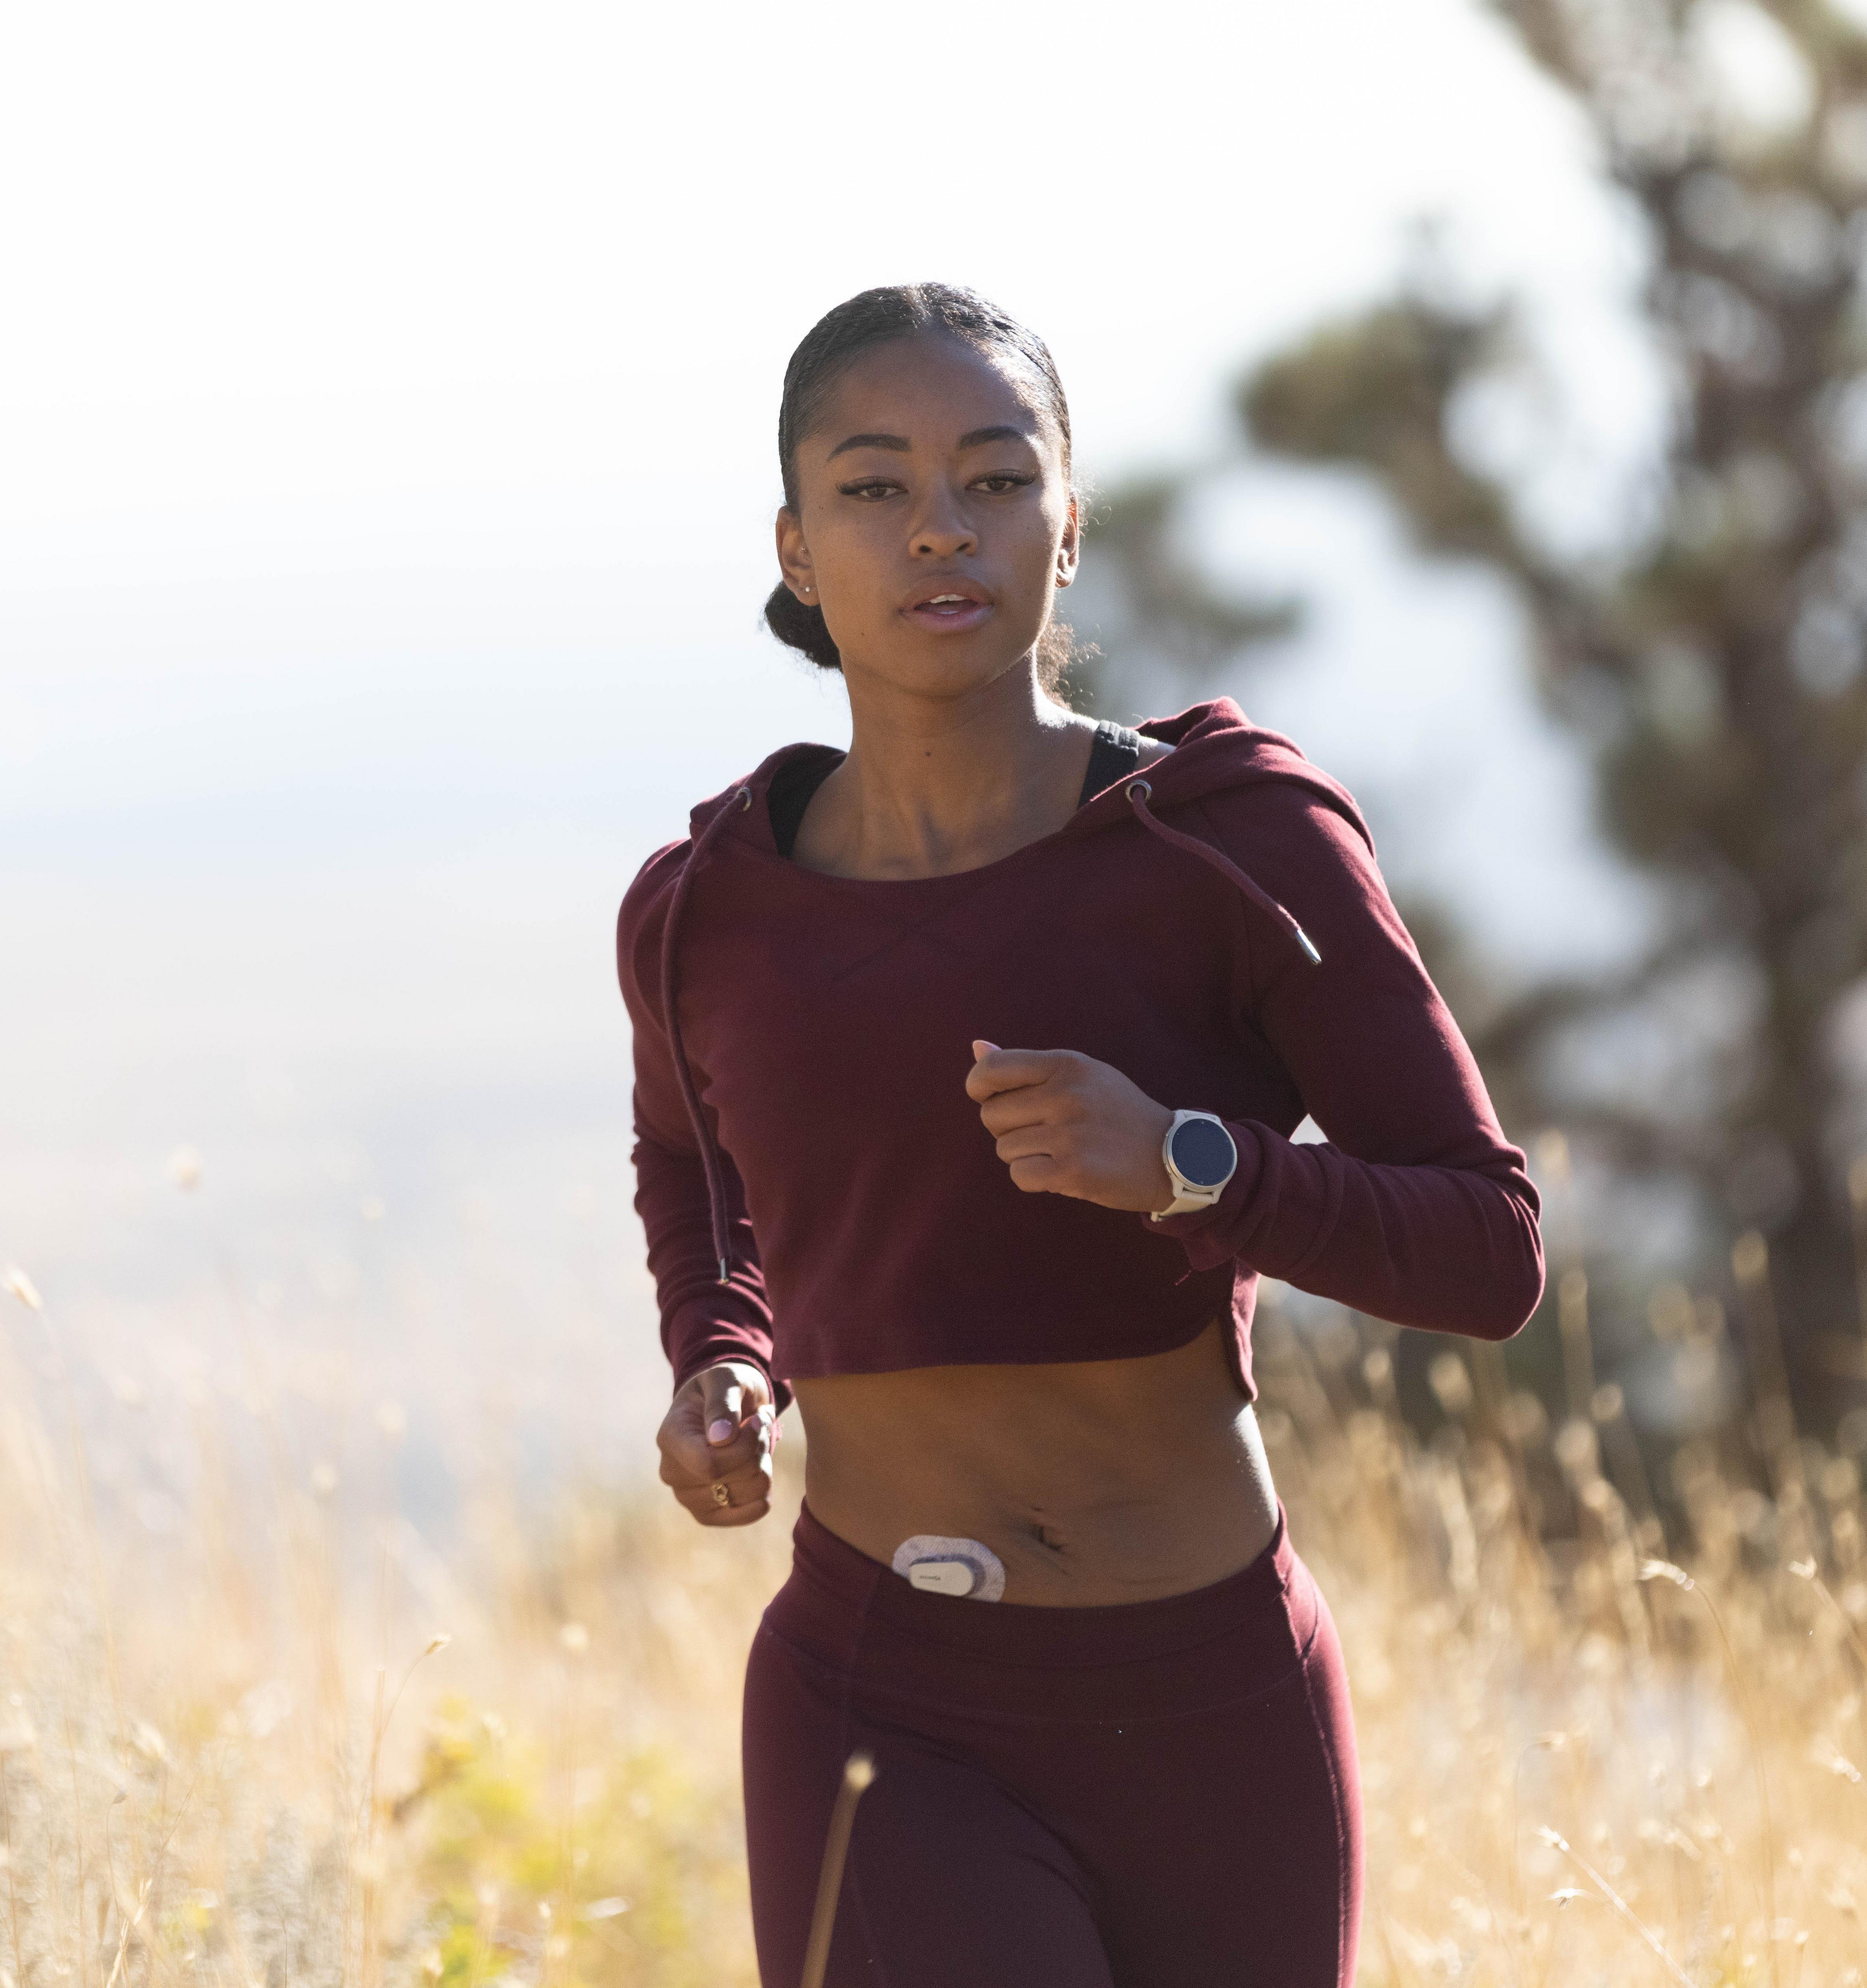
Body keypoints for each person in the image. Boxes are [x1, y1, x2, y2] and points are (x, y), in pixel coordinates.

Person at [617, 283, 1544, 1986]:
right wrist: (722, 1357)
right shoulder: (705, 910)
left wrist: (1194, 1165)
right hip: (875, 1704)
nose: (938, 530)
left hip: (1210, 1705)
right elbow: (693, 1162)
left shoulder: (1228, 840)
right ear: (796, 547)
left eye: (992, 475)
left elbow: (1489, 1249)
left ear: (1067, 518)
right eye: (874, 486)